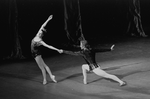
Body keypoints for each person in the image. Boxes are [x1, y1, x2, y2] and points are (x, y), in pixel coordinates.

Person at [31, 15, 63, 85]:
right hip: (35, 53)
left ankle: (45, 80)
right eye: (39, 32)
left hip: (36, 54)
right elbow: (43, 25)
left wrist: (57, 49)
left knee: (42, 67)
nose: (39, 32)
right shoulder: (37, 35)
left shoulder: (40, 41)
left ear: (41, 35)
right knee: (44, 65)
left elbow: (49, 46)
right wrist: (48, 19)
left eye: (40, 33)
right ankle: (51, 76)